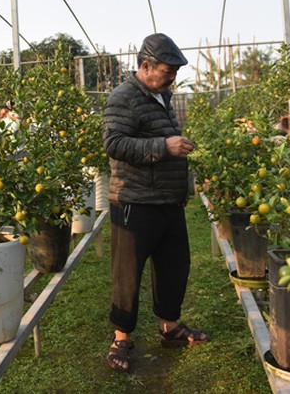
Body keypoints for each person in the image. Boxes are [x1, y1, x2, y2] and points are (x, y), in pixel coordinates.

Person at [102, 32, 208, 373]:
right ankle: (121, 338)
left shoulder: (162, 95)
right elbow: (115, 143)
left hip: (167, 199)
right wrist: (165, 146)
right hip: (135, 200)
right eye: (167, 70)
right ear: (146, 66)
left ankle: (170, 327)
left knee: (174, 265)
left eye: (175, 71)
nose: (172, 76)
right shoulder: (124, 97)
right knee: (128, 273)